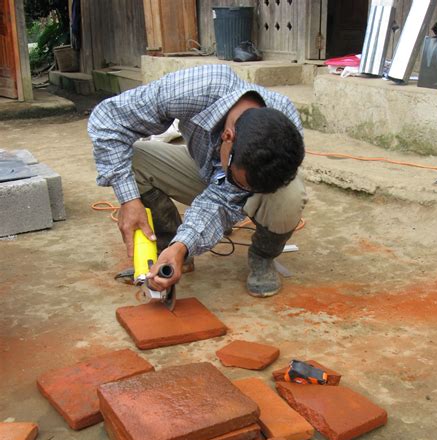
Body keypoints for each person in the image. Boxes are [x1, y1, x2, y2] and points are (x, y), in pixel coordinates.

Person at [88, 64, 306, 298]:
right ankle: (169, 249)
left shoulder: (287, 122)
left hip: (243, 185)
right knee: (134, 162)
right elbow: (107, 119)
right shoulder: (194, 89)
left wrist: (187, 241)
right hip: (202, 167)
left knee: (290, 194)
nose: (244, 190)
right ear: (228, 136)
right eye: (242, 183)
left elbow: (223, 200)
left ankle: (263, 255)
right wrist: (129, 200)